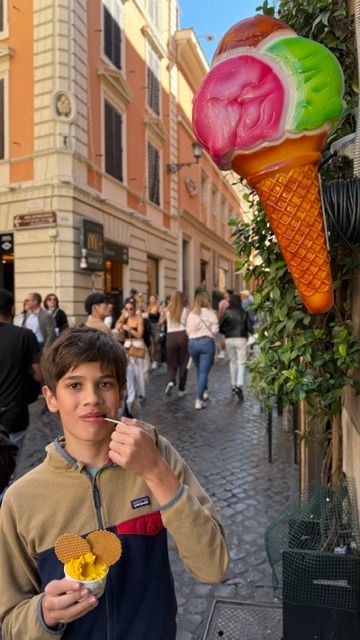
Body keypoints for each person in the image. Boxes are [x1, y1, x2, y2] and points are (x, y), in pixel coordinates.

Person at [0, 327, 228, 639]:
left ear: (121, 391)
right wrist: (44, 614)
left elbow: (213, 567)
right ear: (51, 398)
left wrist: (154, 472)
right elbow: (10, 620)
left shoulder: (156, 453)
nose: (92, 399)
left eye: (104, 384)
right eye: (75, 385)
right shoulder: (21, 500)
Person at [0, 288, 41, 448]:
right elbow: (38, 374)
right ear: (12, 309)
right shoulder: (25, 335)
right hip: (14, 412)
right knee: (10, 461)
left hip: (14, 412)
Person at [186, 292, 219, 410]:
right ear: (207, 301)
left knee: (200, 370)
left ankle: (204, 391)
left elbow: (188, 331)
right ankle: (198, 399)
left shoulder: (191, 315)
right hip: (206, 343)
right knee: (203, 372)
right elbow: (215, 331)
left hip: (192, 344)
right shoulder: (211, 313)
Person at [219, 293, 253, 401]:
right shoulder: (244, 312)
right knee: (241, 362)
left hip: (229, 339)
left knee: (232, 361)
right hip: (241, 338)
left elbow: (220, 327)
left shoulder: (227, 312)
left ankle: (233, 385)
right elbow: (250, 327)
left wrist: (227, 332)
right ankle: (239, 384)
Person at [115, 299, 147, 400]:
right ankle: (131, 393)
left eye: (131, 309)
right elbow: (116, 326)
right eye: (126, 309)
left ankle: (141, 393)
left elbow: (139, 335)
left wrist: (128, 329)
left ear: (135, 309)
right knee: (129, 372)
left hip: (137, 345)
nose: (129, 311)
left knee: (139, 371)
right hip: (127, 346)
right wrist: (122, 316)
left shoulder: (139, 319)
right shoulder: (125, 318)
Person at [164, 291, 189, 397]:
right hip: (183, 335)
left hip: (170, 336)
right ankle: (181, 389)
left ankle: (171, 380)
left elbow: (164, 322)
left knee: (171, 362)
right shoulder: (186, 310)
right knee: (183, 363)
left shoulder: (167, 310)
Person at [217, 289, 233, 359]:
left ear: (228, 294)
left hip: (224, 321)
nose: (224, 294)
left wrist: (218, 319)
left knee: (223, 337)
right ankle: (230, 352)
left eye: (225, 293)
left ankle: (222, 352)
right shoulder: (233, 301)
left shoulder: (223, 302)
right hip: (232, 321)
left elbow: (220, 311)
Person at [147, 294, 162, 369]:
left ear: (155, 299)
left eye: (152, 298)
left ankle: (157, 361)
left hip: (156, 326)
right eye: (150, 298)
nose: (151, 300)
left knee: (156, 344)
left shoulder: (158, 307)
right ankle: (152, 360)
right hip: (149, 326)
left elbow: (163, 315)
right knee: (151, 344)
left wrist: (160, 322)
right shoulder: (148, 307)